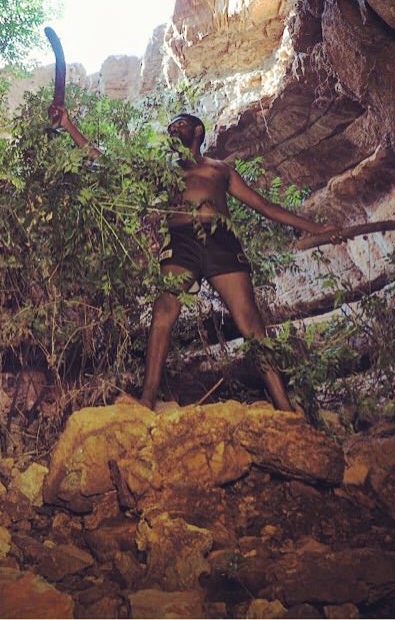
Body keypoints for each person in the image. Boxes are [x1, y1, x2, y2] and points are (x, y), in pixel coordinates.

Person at [49, 105, 338, 411]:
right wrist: (68, 124)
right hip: (181, 242)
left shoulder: (220, 169)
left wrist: (317, 228)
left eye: (180, 124)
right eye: (171, 127)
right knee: (163, 311)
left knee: (249, 321)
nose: (173, 128)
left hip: (220, 239)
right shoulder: (164, 171)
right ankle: (147, 400)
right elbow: (108, 163)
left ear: (198, 131)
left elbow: (264, 206)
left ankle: (283, 405)